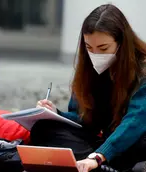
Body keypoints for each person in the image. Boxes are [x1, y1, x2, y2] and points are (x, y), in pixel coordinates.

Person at [33, 4, 146, 172]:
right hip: (102, 145)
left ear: (122, 43)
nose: (96, 55)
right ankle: (94, 165)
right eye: (89, 48)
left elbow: (135, 121)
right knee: (43, 128)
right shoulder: (89, 69)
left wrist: (99, 155)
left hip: (131, 143)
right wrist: (56, 114)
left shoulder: (142, 68)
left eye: (103, 48)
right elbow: (85, 119)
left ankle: (95, 163)